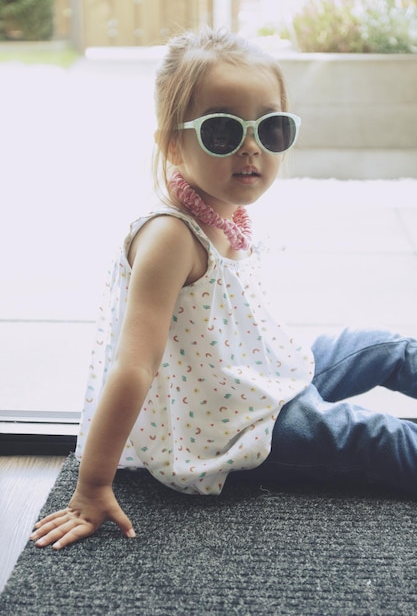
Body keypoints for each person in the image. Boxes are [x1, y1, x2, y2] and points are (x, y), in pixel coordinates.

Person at [31, 28, 417, 550]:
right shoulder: (169, 235)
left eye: (272, 129)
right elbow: (134, 366)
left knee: (381, 346)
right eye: (222, 132)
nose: (252, 148)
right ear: (173, 143)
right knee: (372, 436)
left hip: (259, 376)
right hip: (229, 430)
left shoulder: (219, 210)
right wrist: (93, 483)